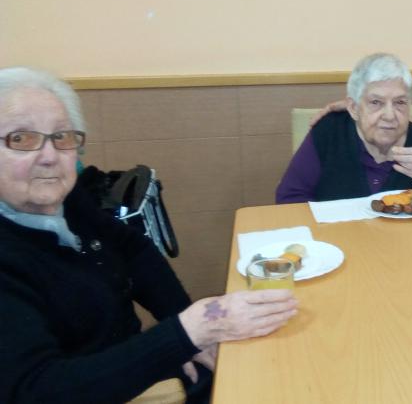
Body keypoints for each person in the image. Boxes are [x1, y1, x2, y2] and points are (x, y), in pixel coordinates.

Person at [0, 67, 298, 403]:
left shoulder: (68, 200)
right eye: (20, 139)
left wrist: (188, 335)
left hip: (127, 366)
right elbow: (36, 390)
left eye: (62, 137)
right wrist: (185, 333)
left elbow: (133, 249)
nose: (50, 156)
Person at [276, 53, 412, 203]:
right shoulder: (329, 132)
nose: (390, 115)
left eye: (400, 102)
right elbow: (290, 198)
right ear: (353, 108)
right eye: (376, 102)